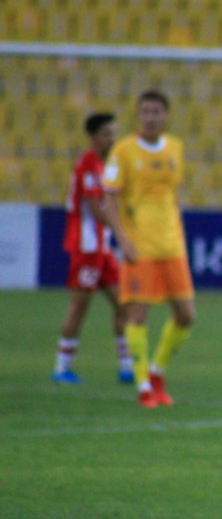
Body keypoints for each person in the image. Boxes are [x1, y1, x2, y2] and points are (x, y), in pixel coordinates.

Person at [102, 89, 196, 409]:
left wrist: (180, 232)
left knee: (186, 315)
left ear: (166, 115)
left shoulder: (175, 148)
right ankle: (143, 385)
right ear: (138, 115)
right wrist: (123, 240)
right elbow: (109, 200)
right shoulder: (123, 151)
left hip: (172, 245)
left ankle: (157, 372)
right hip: (140, 247)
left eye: (156, 112)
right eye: (145, 112)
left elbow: (173, 196)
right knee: (137, 314)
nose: (150, 118)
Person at [52, 113, 134, 385]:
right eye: (107, 134)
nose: (113, 139)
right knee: (80, 306)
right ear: (93, 137)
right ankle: (62, 367)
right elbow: (96, 210)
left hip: (102, 247)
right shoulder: (88, 165)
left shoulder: (104, 166)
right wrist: (125, 231)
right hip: (86, 246)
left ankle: (127, 366)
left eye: (115, 133)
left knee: (124, 303)